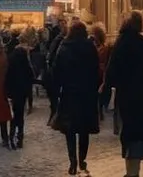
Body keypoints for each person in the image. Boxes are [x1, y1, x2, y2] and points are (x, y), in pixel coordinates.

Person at [105, 11, 143, 177]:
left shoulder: (120, 44)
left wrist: (108, 88)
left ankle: (131, 170)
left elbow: (111, 72)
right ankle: (134, 170)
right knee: (139, 130)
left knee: (128, 131)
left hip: (125, 95)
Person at [51, 21, 100, 175]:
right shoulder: (90, 47)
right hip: (86, 93)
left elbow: (56, 70)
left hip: (69, 93)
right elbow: (96, 70)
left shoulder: (64, 47)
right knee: (84, 128)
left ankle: (72, 161)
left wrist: (58, 89)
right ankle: (82, 159)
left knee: (70, 128)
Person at [5, 27, 36, 148]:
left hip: (14, 89)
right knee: (20, 114)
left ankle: (11, 135)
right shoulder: (25, 59)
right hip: (23, 89)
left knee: (15, 113)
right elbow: (30, 75)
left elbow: (8, 74)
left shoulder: (11, 58)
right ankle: (20, 136)